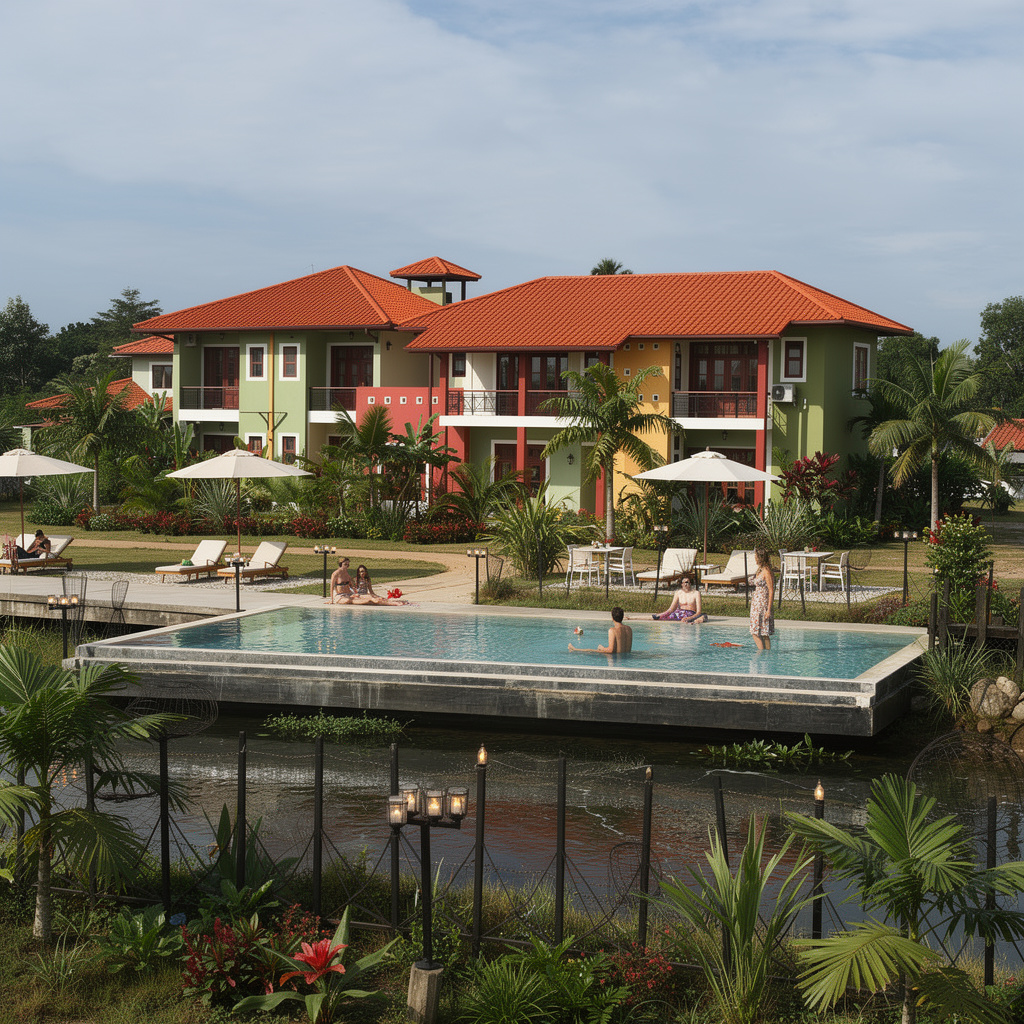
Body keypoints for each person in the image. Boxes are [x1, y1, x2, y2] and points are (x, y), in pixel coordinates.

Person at [749, 546, 775, 651]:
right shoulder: (759, 570)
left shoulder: (766, 571)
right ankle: (764, 653)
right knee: (759, 631)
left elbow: (771, 590)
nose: (754, 558)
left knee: (761, 632)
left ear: (760, 557)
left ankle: (762, 654)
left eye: (755, 556)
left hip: (762, 604)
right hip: (756, 603)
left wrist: (769, 609)